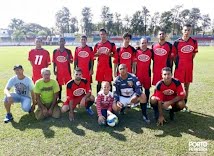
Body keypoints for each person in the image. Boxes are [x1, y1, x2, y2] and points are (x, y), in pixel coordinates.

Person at [174, 24, 198, 111]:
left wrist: (188, 61)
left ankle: (184, 105)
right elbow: (174, 56)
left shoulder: (194, 42)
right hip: (179, 68)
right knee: (177, 87)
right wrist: (179, 63)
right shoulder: (177, 42)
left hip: (189, 67)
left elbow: (193, 54)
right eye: (185, 30)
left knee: (186, 87)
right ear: (182, 30)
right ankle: (175, 104)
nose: (187, 32)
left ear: (190, 31)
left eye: (188, 30)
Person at [94, 28, 118, 93]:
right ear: (99, 35)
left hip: (108, 67)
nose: (102, 36)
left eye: (104, 34)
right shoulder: (97, 45)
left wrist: (109, 54)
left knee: (109, 82)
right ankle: (98, 97)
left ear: (106, 34)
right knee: (99, 82)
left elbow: (115, 55)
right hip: (100, 67)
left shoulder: (111, 44)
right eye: (101, 34)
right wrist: (97, 54)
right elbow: (93, 55)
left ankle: (110, 97)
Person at [52, 37, 73, 103]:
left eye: (63, 41)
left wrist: (68, 59)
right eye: (60, 41)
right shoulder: (55, 51)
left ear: (65, 42)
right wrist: (54, 69)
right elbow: (54, 62)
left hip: (67, 71)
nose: (61, 43)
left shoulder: (68, 51)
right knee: (59, 85)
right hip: (59, 71)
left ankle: (69, 97)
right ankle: (59, 98)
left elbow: (71, 61)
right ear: (58, 42)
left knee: (69, 85)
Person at [135, 37, 152, 105]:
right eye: (142, 43)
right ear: (139, 44)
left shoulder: (150, 52)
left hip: (147, 73)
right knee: (138, 89)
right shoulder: (136, 51)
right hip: (138, 74)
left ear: (147, 43)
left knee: (147, 89)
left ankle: (147, 102)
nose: (144, 44)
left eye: (145, 43)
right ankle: (139, 101)